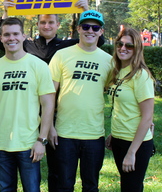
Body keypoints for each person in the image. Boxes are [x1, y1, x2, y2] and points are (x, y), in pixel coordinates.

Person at [0, 0, 103, 191]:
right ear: (37, 25)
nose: (47, 26)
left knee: (57, 167)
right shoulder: (27, 45)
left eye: (51, 22)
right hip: (26, 106)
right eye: (43, 22)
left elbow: (94, 38)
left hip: (56, 109)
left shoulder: (67, 46)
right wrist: (6, 13)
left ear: (58, 24)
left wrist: (86, 10)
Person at [0, 17, 55, 192]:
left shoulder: (38, 66)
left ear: (24, 36)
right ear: (1, 38)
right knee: (6, 189)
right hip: (1, 143)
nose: (11, 38)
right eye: (6, 35)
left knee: (32, 189)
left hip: (29, 143)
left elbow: (48, 104)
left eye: (16, 34)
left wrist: (41, 139)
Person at [48, 10, 112, 191]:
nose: (90, 30)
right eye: (85, 26)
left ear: (101, 31)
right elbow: (50, 94)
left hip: (94, 133)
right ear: (78, 29)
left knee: (91, 185)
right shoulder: (62, 55)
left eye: (95, 27)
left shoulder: (109, 61)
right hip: (65, 133)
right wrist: (50, 127)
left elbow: (117, 94)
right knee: (64, 185)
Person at [105, 28, 155, 192]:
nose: (123, 48)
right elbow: (123, 107)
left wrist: (132, 152)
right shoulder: (118, 72)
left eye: (129, 46)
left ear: (137, 49)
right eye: (120, 44)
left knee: (131, 188)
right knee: (128, 186)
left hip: (136, 144)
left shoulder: (141, 75)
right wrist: (114, 134)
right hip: (119, 140)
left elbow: (147, 118)